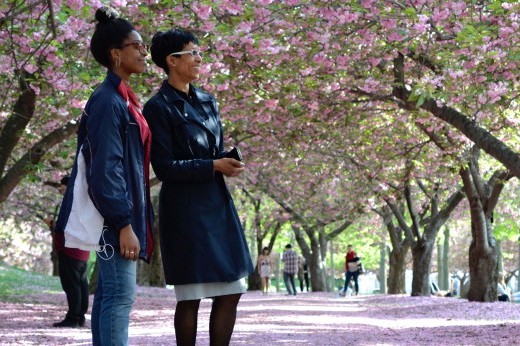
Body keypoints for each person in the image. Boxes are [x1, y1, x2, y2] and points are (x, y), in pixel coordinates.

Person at [143, 29, 254, 346]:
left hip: (217, 203)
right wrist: (211, 166)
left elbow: (212, 150)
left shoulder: (208, 100)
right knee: (190, 296)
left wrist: (224, 162)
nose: (199, 58)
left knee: (232, 290)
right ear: (172, 60)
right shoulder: (159, 107)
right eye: (193, 52)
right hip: (186, 210)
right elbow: (163, 167)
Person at [54, 7, 154, 345]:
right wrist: (124, 223)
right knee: (119, 296)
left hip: (117, 216)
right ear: (116, 53)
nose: (144, 52)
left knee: (112, 296)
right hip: (114, 220)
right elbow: (106, 169)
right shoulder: (109, 101)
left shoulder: (120, 99)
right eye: (137, 45)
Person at [45, 176, 90, 328]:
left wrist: (53, 224)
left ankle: (73, 318)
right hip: (81, 249)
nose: (61, 190)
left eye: (63, 187)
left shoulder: (72, 202)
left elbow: (68, 226)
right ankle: (79, 316)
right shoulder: (80, 201)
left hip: (71, 249)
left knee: (72, 285)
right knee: (80, 283)